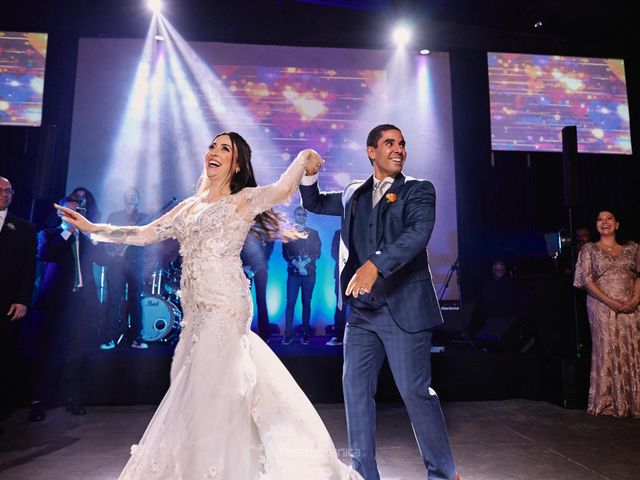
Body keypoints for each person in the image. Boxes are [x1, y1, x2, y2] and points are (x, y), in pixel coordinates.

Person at [55, 132, 361, 479]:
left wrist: (304, 155)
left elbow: (280, 189)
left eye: (224, 149)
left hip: (225, 306)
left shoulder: (244, 199)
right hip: (196, 315)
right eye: (212, 146)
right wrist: (95, 228)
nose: (214, 152)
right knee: (210, 393)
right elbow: (145, 234)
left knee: (208, 390)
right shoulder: (188, 206)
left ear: (237, 164)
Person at [300, 124, 460, 479]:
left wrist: (375, 264)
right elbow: (313, 203)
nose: (399, 149)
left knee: (416, 394)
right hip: (360, 314)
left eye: (402, 143)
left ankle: (444, 475)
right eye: (390, 143)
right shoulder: (353, 193)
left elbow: (416, 235)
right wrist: (308, 176)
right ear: (371, 151)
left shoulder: (418, 190)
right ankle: (364, 474)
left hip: (402, 309)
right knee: (355, 395)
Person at [29, 196, 106, 420]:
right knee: (47, 352)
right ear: (61, 213)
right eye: (70, 211)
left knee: (78, 352)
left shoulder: (85, 238)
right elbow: (47, 254)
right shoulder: (49, 234)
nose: (75, 214)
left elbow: (103, 260)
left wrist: (99, 241)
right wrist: (68, 232)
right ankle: (37, 402)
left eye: (78, 211)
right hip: (55, 303)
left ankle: (75, 399)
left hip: (81, 302)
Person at [573, 210, 640, 418]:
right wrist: (611, 302)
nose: (604, 223)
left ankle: (633, 402)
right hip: (601, 306)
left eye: (609, 218)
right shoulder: (589, 249)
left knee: (632, 347)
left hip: (631, 305)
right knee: (608, 347)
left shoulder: (633, 247)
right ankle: (608, 402)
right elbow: (586, 281)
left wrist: (635, 299)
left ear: (617, 224)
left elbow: (638, 275)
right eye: (600, 220)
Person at [0, 176, 36, 415]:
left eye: (9, 190)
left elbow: (28, 267)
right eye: (1, 190)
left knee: (3, 356)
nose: (5, 194)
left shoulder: (24, 228)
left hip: (7, 302)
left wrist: (22, 299)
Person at [100, 187, 148, 350]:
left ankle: (136, 338)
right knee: (113, 300)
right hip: (116, 264)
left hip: (136, 264)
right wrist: (113, 251)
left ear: (138, 199)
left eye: (135, 194)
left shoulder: (144, 218)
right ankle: (109, 338)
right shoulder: (115, 216)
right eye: (128, 194)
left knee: (136, 301)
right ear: (124, 198)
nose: (131, 196)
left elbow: (148, 237)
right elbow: (107, 237)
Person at [281, 206, 321, 345]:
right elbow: (285, 253)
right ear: (295, 216)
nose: (301, 216)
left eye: (303, 214)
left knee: (306, 303)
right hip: (293, 274)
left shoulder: (314, 233)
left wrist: (304, 264)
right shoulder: (288, 233)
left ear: (306, 217)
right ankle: (288, 335)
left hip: (309, 274)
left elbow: (317, 252)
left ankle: (305, 334)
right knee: (290, 303)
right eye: (298, 214)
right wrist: (297, 265)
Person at [240, 224, 275, 341]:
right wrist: (244, 266)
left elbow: (266, 254)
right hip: (244, 269)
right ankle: (242, 332)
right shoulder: (244, 227)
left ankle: (264, 335)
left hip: (260, 269)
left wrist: (253, 268)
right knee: (243, 301)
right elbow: (239, 248)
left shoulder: (267, 232)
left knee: (261, 300)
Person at [326, 228, 346, 346]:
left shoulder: (361, 230)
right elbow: (334, 252)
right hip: (340, 274)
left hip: (359, 274)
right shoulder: (338, 233)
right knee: (340, 306)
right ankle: (339, 336)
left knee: (359, 307)